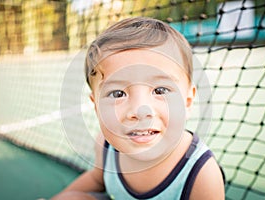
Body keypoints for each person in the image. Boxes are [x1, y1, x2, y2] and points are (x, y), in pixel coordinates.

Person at [53, 17, 225, 200]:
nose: (140, 110)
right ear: (96, 107)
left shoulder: (201, 174)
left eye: (160, 90)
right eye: (118, 94)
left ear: (187, 102)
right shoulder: (105, 145)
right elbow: (97, 178)